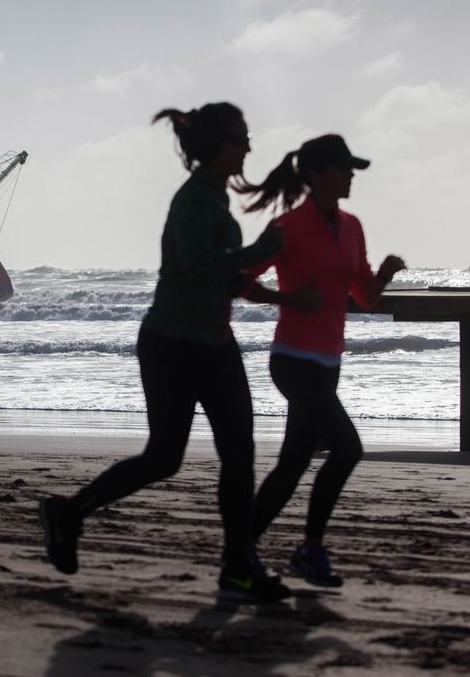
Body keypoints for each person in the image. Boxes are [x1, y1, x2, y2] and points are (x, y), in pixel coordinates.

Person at [38, 102, 290, 603]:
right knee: (164, 458)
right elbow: (198, 267)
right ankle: (68, 512)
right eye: (241, 138)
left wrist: (283, 294)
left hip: (214, 344)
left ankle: (238, 567)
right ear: (218, 145)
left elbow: (224, 277)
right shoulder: (195, 200)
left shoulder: (215, 197)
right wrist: (261, 250)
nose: (248, 147)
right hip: (172, 346)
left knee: (239, 455)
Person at [238, 134, 406, 587]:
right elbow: (239, 279)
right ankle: (309, 549)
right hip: (292, 360)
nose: (351, 174)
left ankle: (242, 550)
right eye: (344, 167)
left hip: (329, 362)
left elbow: (365, 298)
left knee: (293, 464)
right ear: (316, 174)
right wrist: (288, 297)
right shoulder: (288, 227)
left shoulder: (352, 226)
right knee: (348, 448)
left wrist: (386, 274)